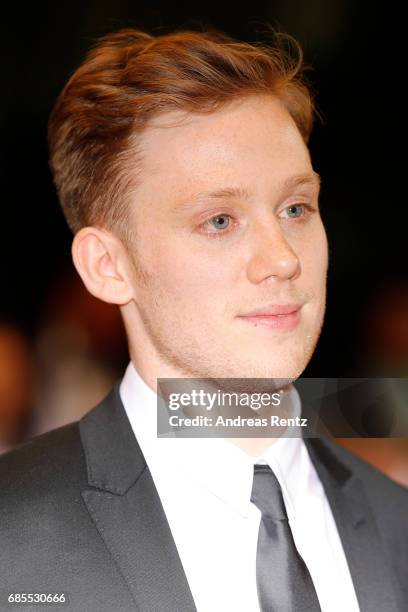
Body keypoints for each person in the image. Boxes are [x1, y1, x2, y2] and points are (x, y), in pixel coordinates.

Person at [0, 27, 407, 612]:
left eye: (295, 208)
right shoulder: (15, 541)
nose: (283, 258)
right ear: (108, 266)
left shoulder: (399, 529)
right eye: (219, 220)